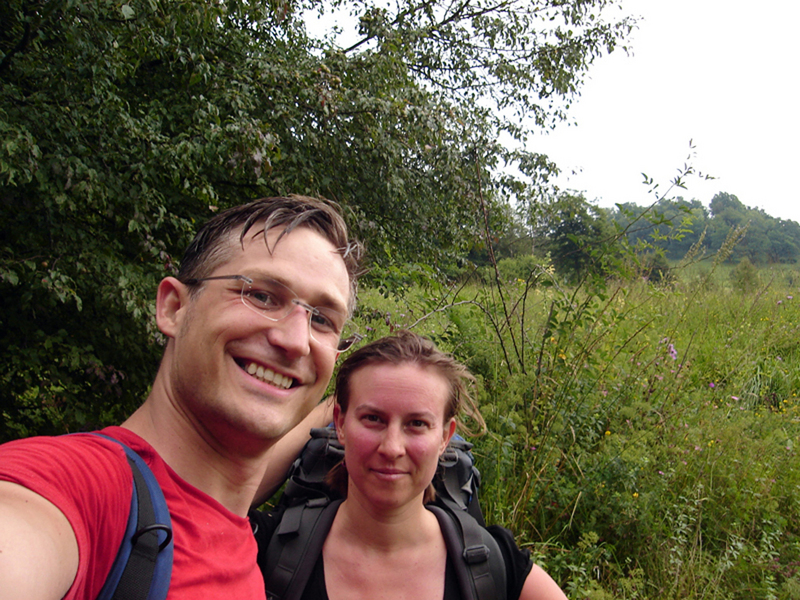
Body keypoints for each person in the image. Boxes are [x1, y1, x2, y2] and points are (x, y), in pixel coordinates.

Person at [0, 195, 364, 600]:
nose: (296, 341)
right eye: (261, 295)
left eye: (322, 319)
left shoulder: (234, 531)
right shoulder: (80, 492)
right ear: (174, 307)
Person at [251, 331, 568, 600]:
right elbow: (220, 498)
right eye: (372, 418)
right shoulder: (273, 548)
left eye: (416, 423)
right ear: (340, 424)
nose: (391, 448)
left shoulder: (492, 565)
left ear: (445, 437)